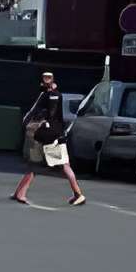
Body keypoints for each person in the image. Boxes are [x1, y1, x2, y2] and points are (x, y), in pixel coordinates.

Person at [13, 69, 82, 207]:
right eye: (45, 77)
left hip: (49, 135)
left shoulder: (50, 95)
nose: (46, 80)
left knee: (40, 164)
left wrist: (33, 123)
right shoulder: (50, 94)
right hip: (52, 134)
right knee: (56, 164)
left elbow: (47, 113)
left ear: (53, 80)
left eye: (48, 78)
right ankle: (19, 193)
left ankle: (78, 194)